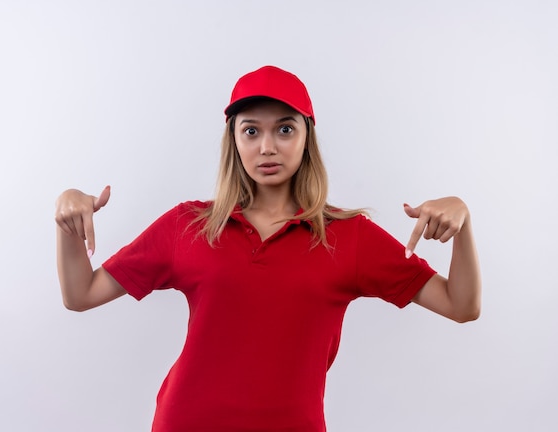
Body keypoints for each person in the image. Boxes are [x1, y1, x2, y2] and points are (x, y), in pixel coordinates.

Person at [55, 65, 481, 432]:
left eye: (284, 128)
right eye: (251, 130)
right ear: (234, 140)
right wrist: (67, 218)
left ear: (306, 136)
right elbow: (81, 294)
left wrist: (463, 223)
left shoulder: (349, 237)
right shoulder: (190, 225)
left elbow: (460, 306)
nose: (267, 146)